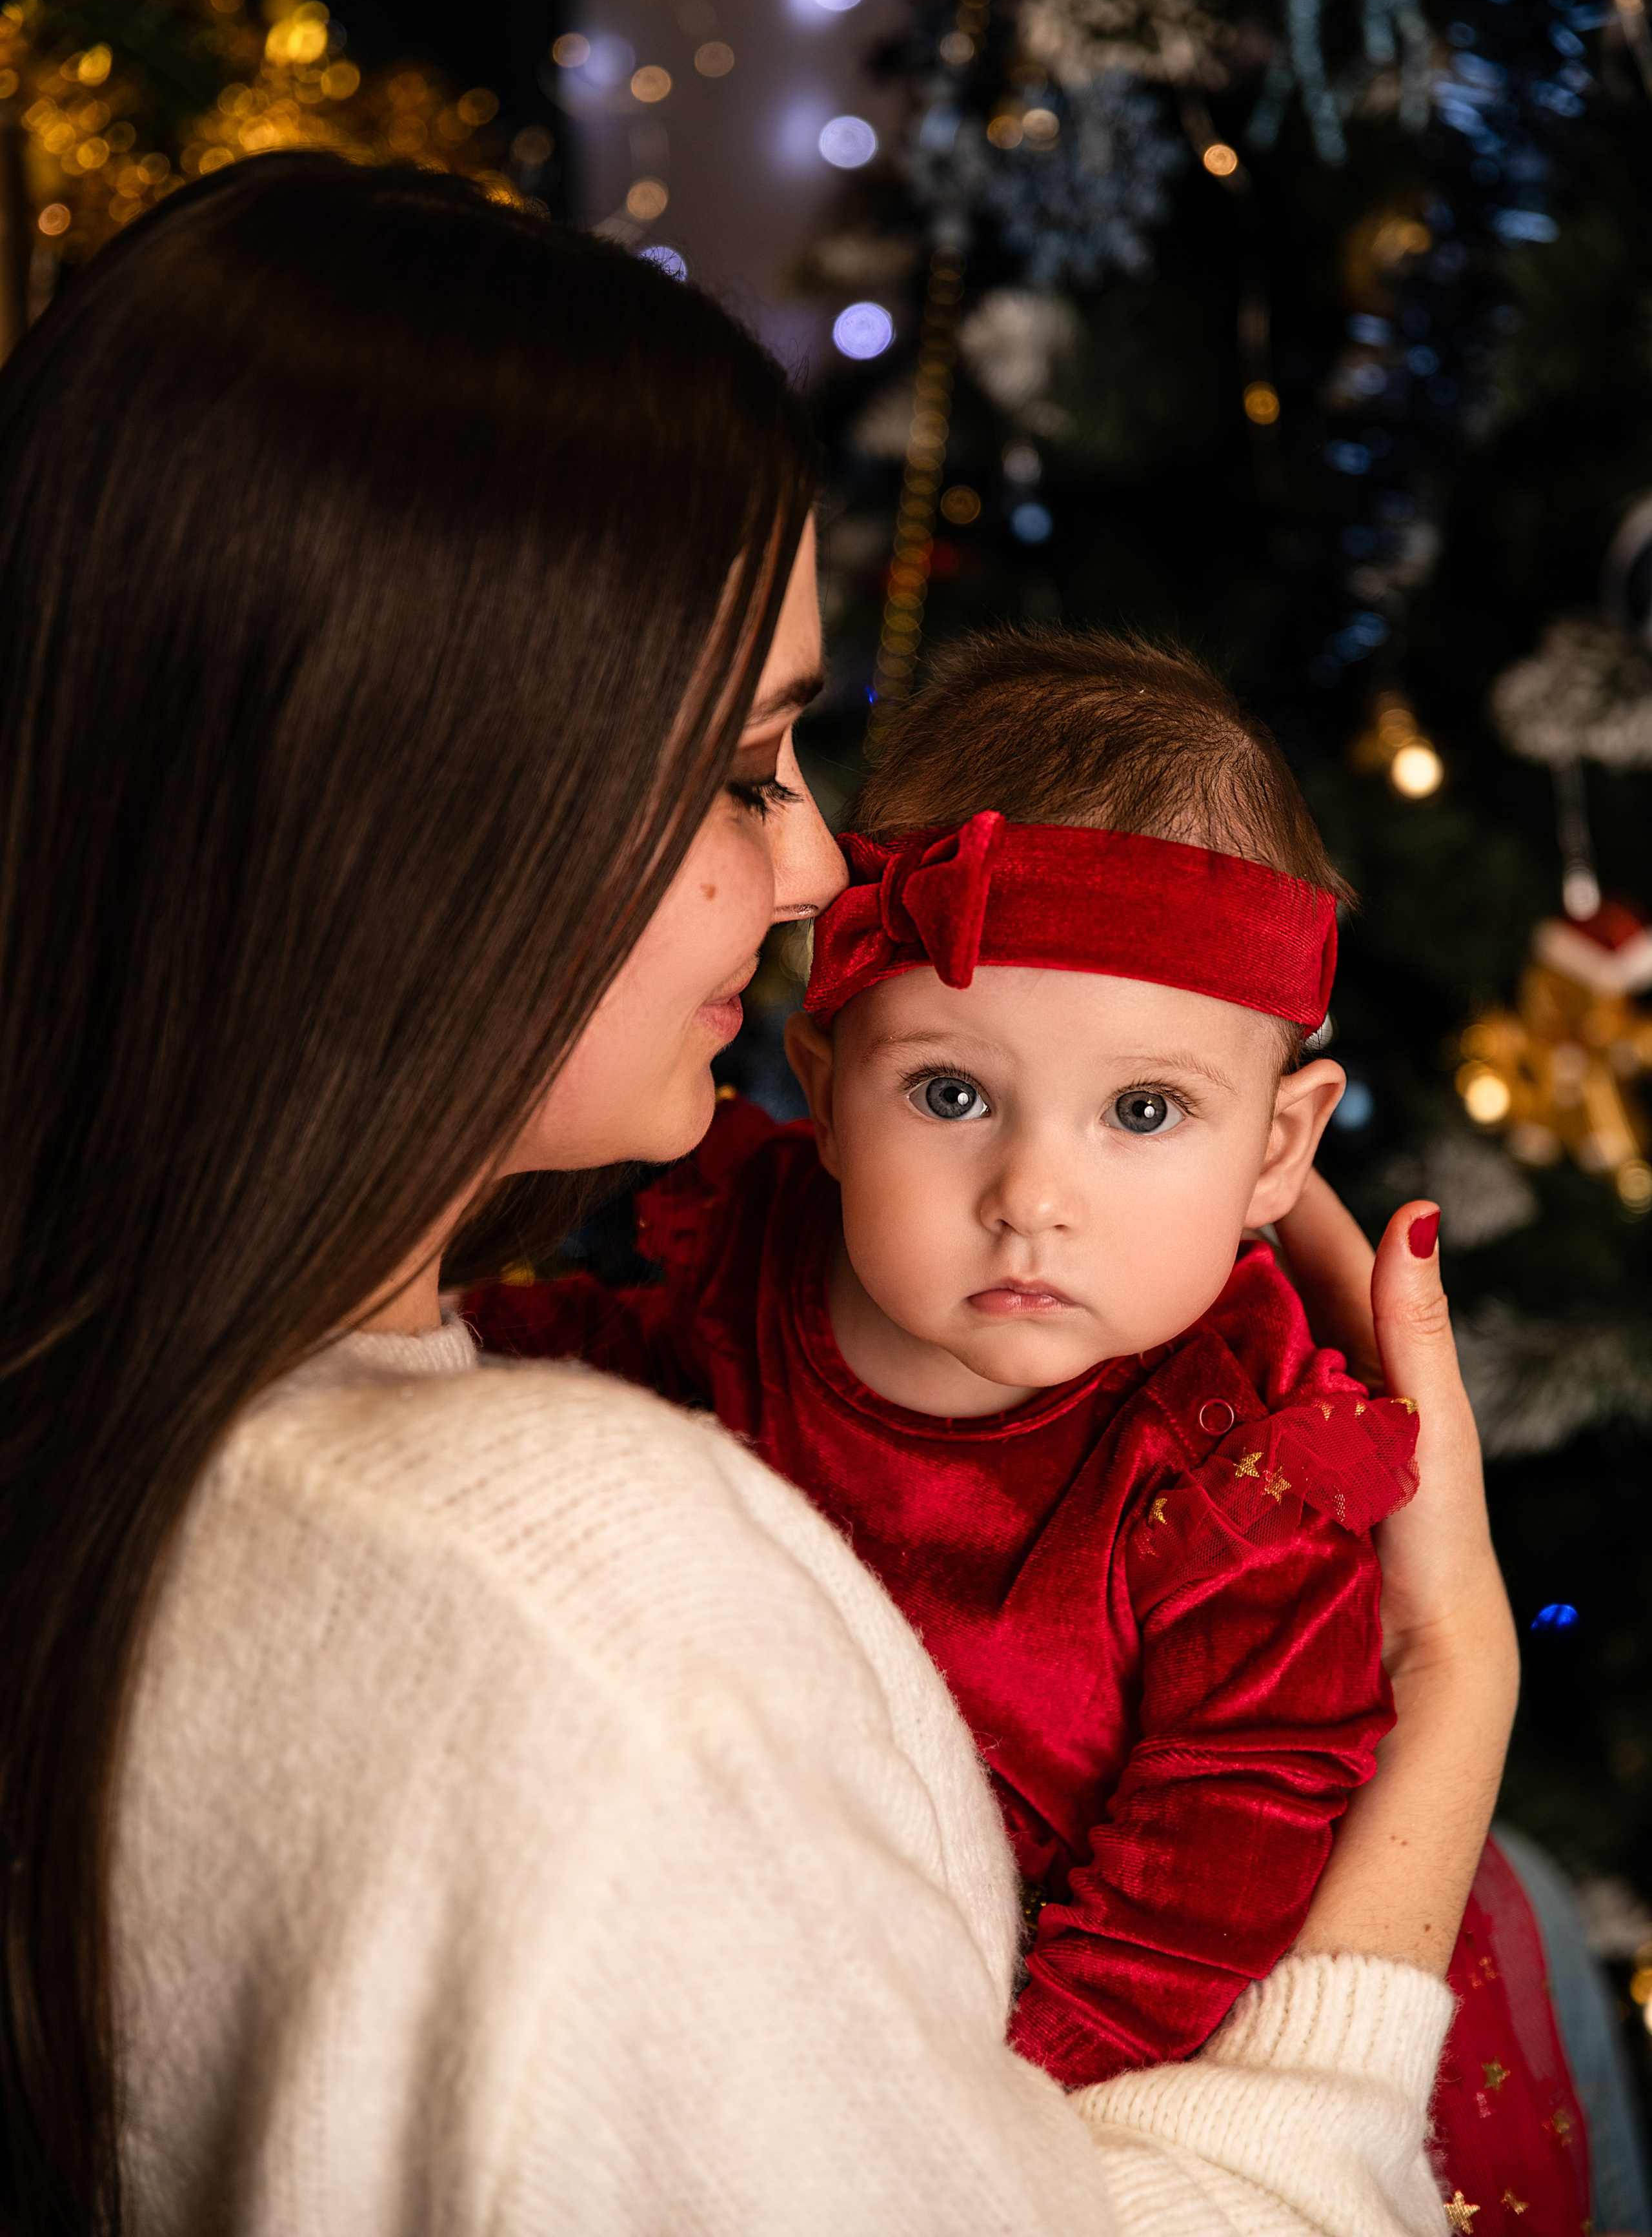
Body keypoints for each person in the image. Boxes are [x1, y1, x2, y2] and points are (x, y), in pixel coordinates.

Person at [0, 151, 1515, 2236]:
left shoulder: (136, 1412)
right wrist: (1458, 1695)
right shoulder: (596, 1628)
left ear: (1282, 1134)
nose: (815, 874)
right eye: (743, 775)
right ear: (415, 822)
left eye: (1146, 1114)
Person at [468, 631, 1583, 2232]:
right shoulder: (761, 1261)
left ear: (1278, 1149)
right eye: (949, 1094)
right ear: (823, 1087)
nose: (1032, 1198)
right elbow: (601, 1386)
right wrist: (432, 1349)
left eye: (1143, 1112)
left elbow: (1213, 1853)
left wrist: (991, 2098)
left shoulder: (1238, 1465)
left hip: (1143, 2038)